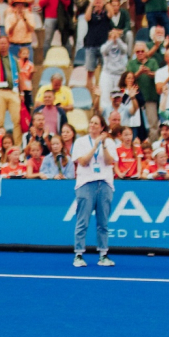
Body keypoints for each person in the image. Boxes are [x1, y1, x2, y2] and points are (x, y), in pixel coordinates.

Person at [71, 114, 117, 267]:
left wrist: (102, 145)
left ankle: (103, 254)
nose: (92, 125)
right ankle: (78, 254)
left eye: (96, 123)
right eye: (91, 122)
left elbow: (109, 161)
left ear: (102, 127)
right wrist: (95, 146)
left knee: (103, 223)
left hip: (104, 183)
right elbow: (83, 162)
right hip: (85, 183)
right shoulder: (80, 142)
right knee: (82, 221)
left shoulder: (109, 142)